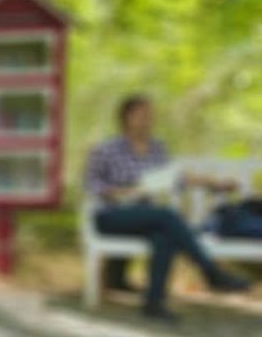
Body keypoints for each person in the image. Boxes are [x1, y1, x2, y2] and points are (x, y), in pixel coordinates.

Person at [84, 94, 250, 320]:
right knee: (167, 217)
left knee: (164, 233)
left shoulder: (156, 148)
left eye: (150, 115)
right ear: (127, 117)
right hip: (112, 215)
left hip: (147, 216)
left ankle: (154, 303)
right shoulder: (107, 149)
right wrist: (120, 191)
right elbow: (92, 184)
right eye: (143, 115)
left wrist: (215, 183)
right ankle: (210, 272)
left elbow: (176, 179)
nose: (148, 120)